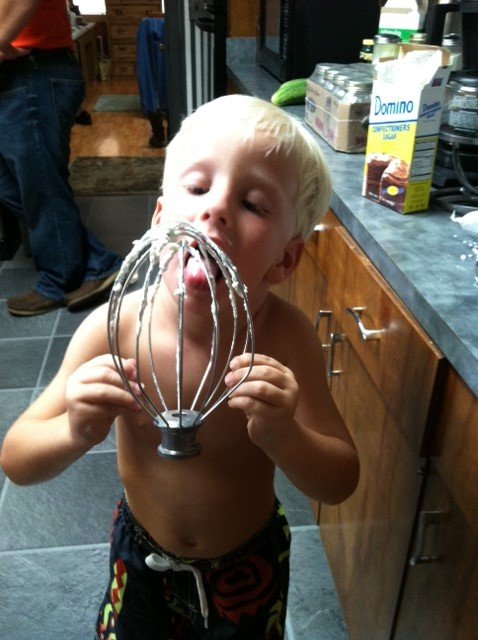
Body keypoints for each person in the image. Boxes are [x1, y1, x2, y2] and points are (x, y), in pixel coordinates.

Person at [0, 94, 359, 639]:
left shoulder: (285, 339)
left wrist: (286, 436)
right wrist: (74, 430)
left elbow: (340, 480)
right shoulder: (115, 330)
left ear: (285, 258)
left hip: (248, 568)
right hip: (141, 561)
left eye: (253, 204)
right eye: (197, 188)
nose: (215, 210)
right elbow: (17, 460)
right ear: (159, 219)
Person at [0, 0, 122, 316]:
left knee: (40, 185)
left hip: (34, 71)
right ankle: (99, 263)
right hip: (18, 74)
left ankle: (58, 281)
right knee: (20, 187)